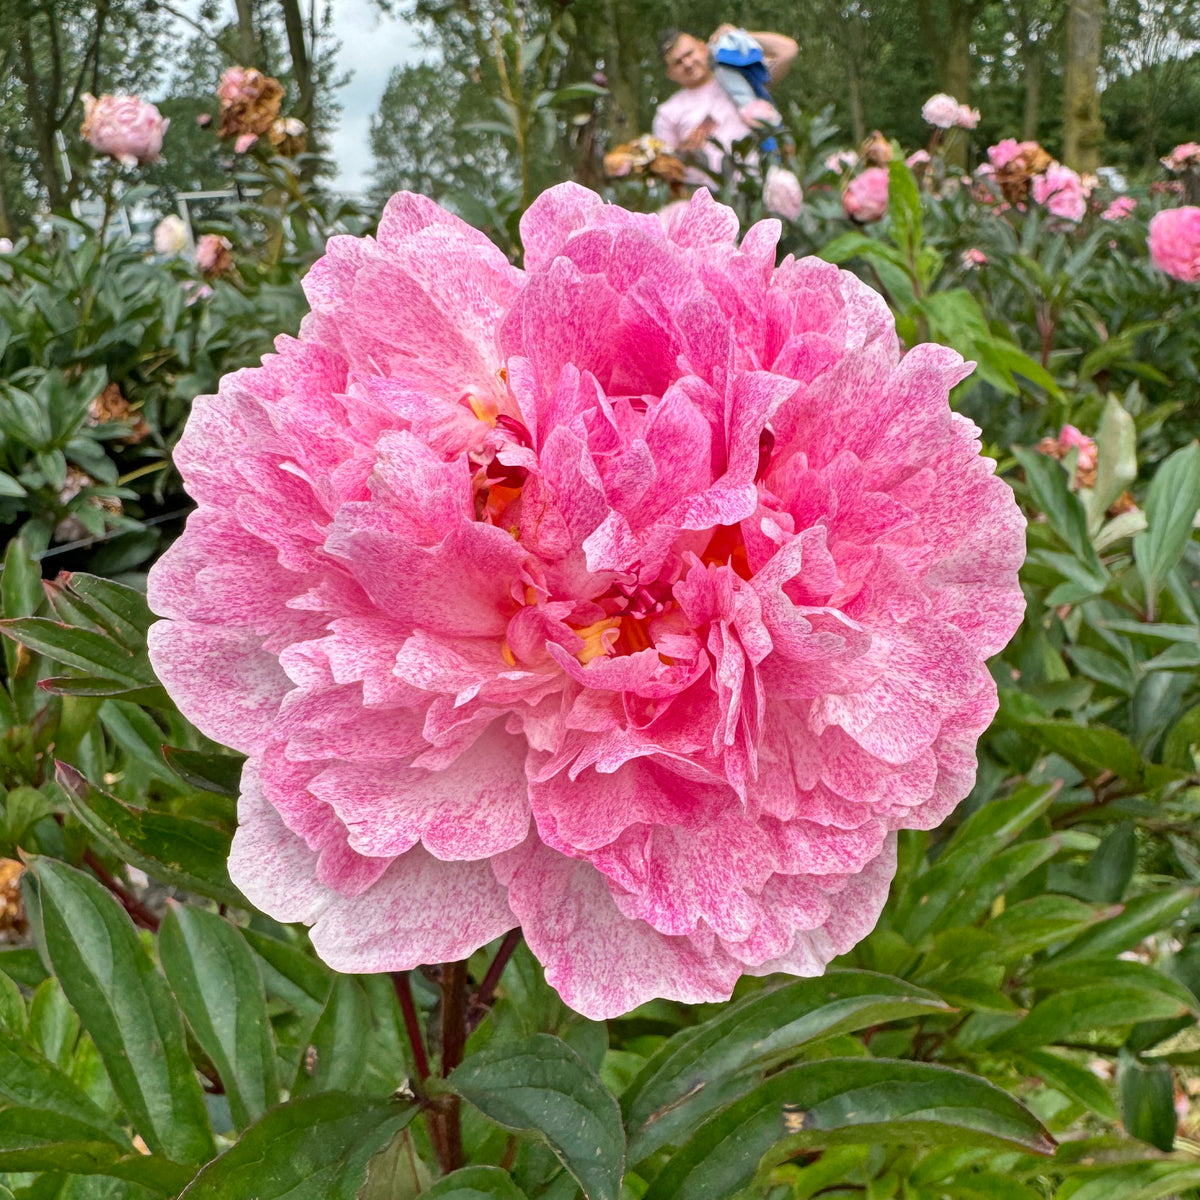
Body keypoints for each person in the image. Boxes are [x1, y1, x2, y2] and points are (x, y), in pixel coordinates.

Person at [652, 25, 797, 180]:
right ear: (670, 73)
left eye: (689, 53)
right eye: (678, 62)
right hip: (706, 193)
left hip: (759, 183)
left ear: (703, 48)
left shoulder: (741, 78)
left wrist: (738, 34)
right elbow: (667, 173)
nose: (687, 64)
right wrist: (684, 152)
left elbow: (788, 51)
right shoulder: (666, 113)